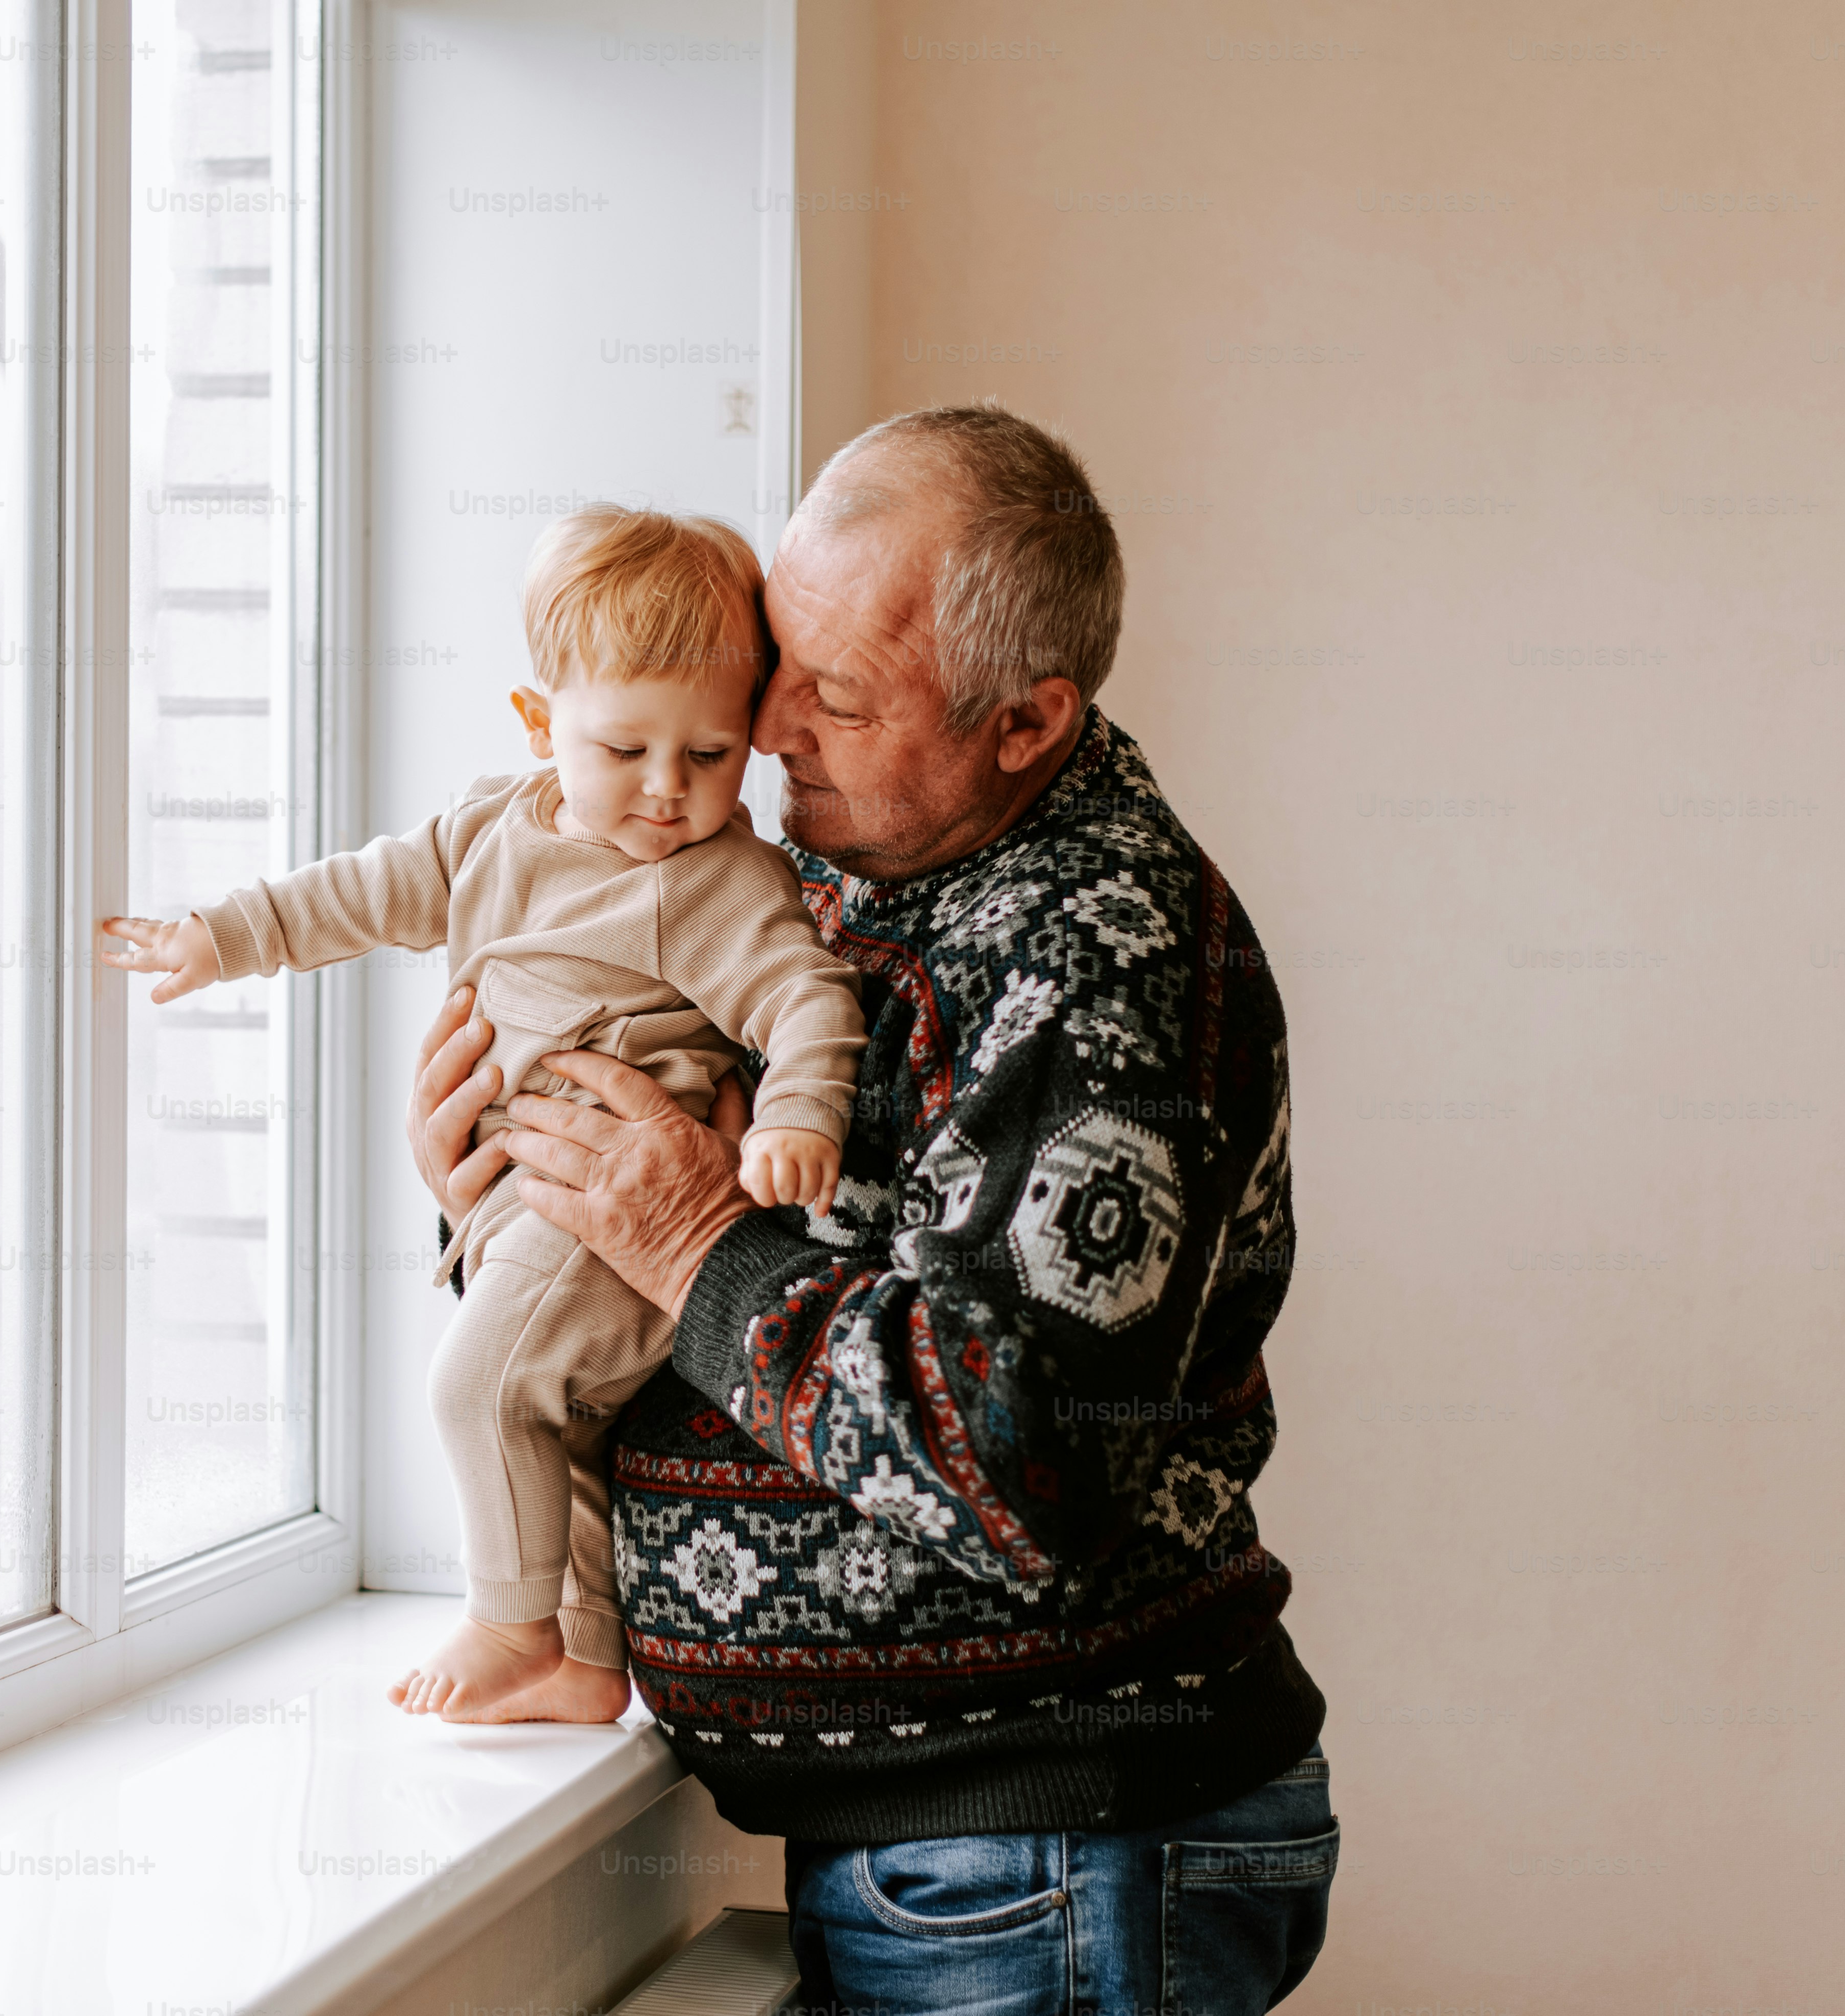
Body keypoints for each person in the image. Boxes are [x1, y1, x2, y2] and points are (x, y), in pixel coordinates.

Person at [407, 407, 1336, 2012]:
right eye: (778, 656)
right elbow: (738, 1249)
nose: (763, 726)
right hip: (958, 1863)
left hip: (1054, 1855)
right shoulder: (844, 871)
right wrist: (498, 1200)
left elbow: (1027, 1462)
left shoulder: (1098, 953)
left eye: (830, 693)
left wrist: (690, 1241)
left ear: (1025, 722)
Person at [102, 504, 864, 1724]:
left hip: (614, 1210)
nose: (670, 795)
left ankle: (505, 1624)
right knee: (546, 1426)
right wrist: (222, 937)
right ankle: (576, 1659)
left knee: (476, 1389)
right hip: (526, 1200)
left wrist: (798, 1118)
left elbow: (805, 996)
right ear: (538, 722)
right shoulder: (488, 831)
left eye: (712, 758)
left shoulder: (708, 877)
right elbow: (357, 892)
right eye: (626, 751)